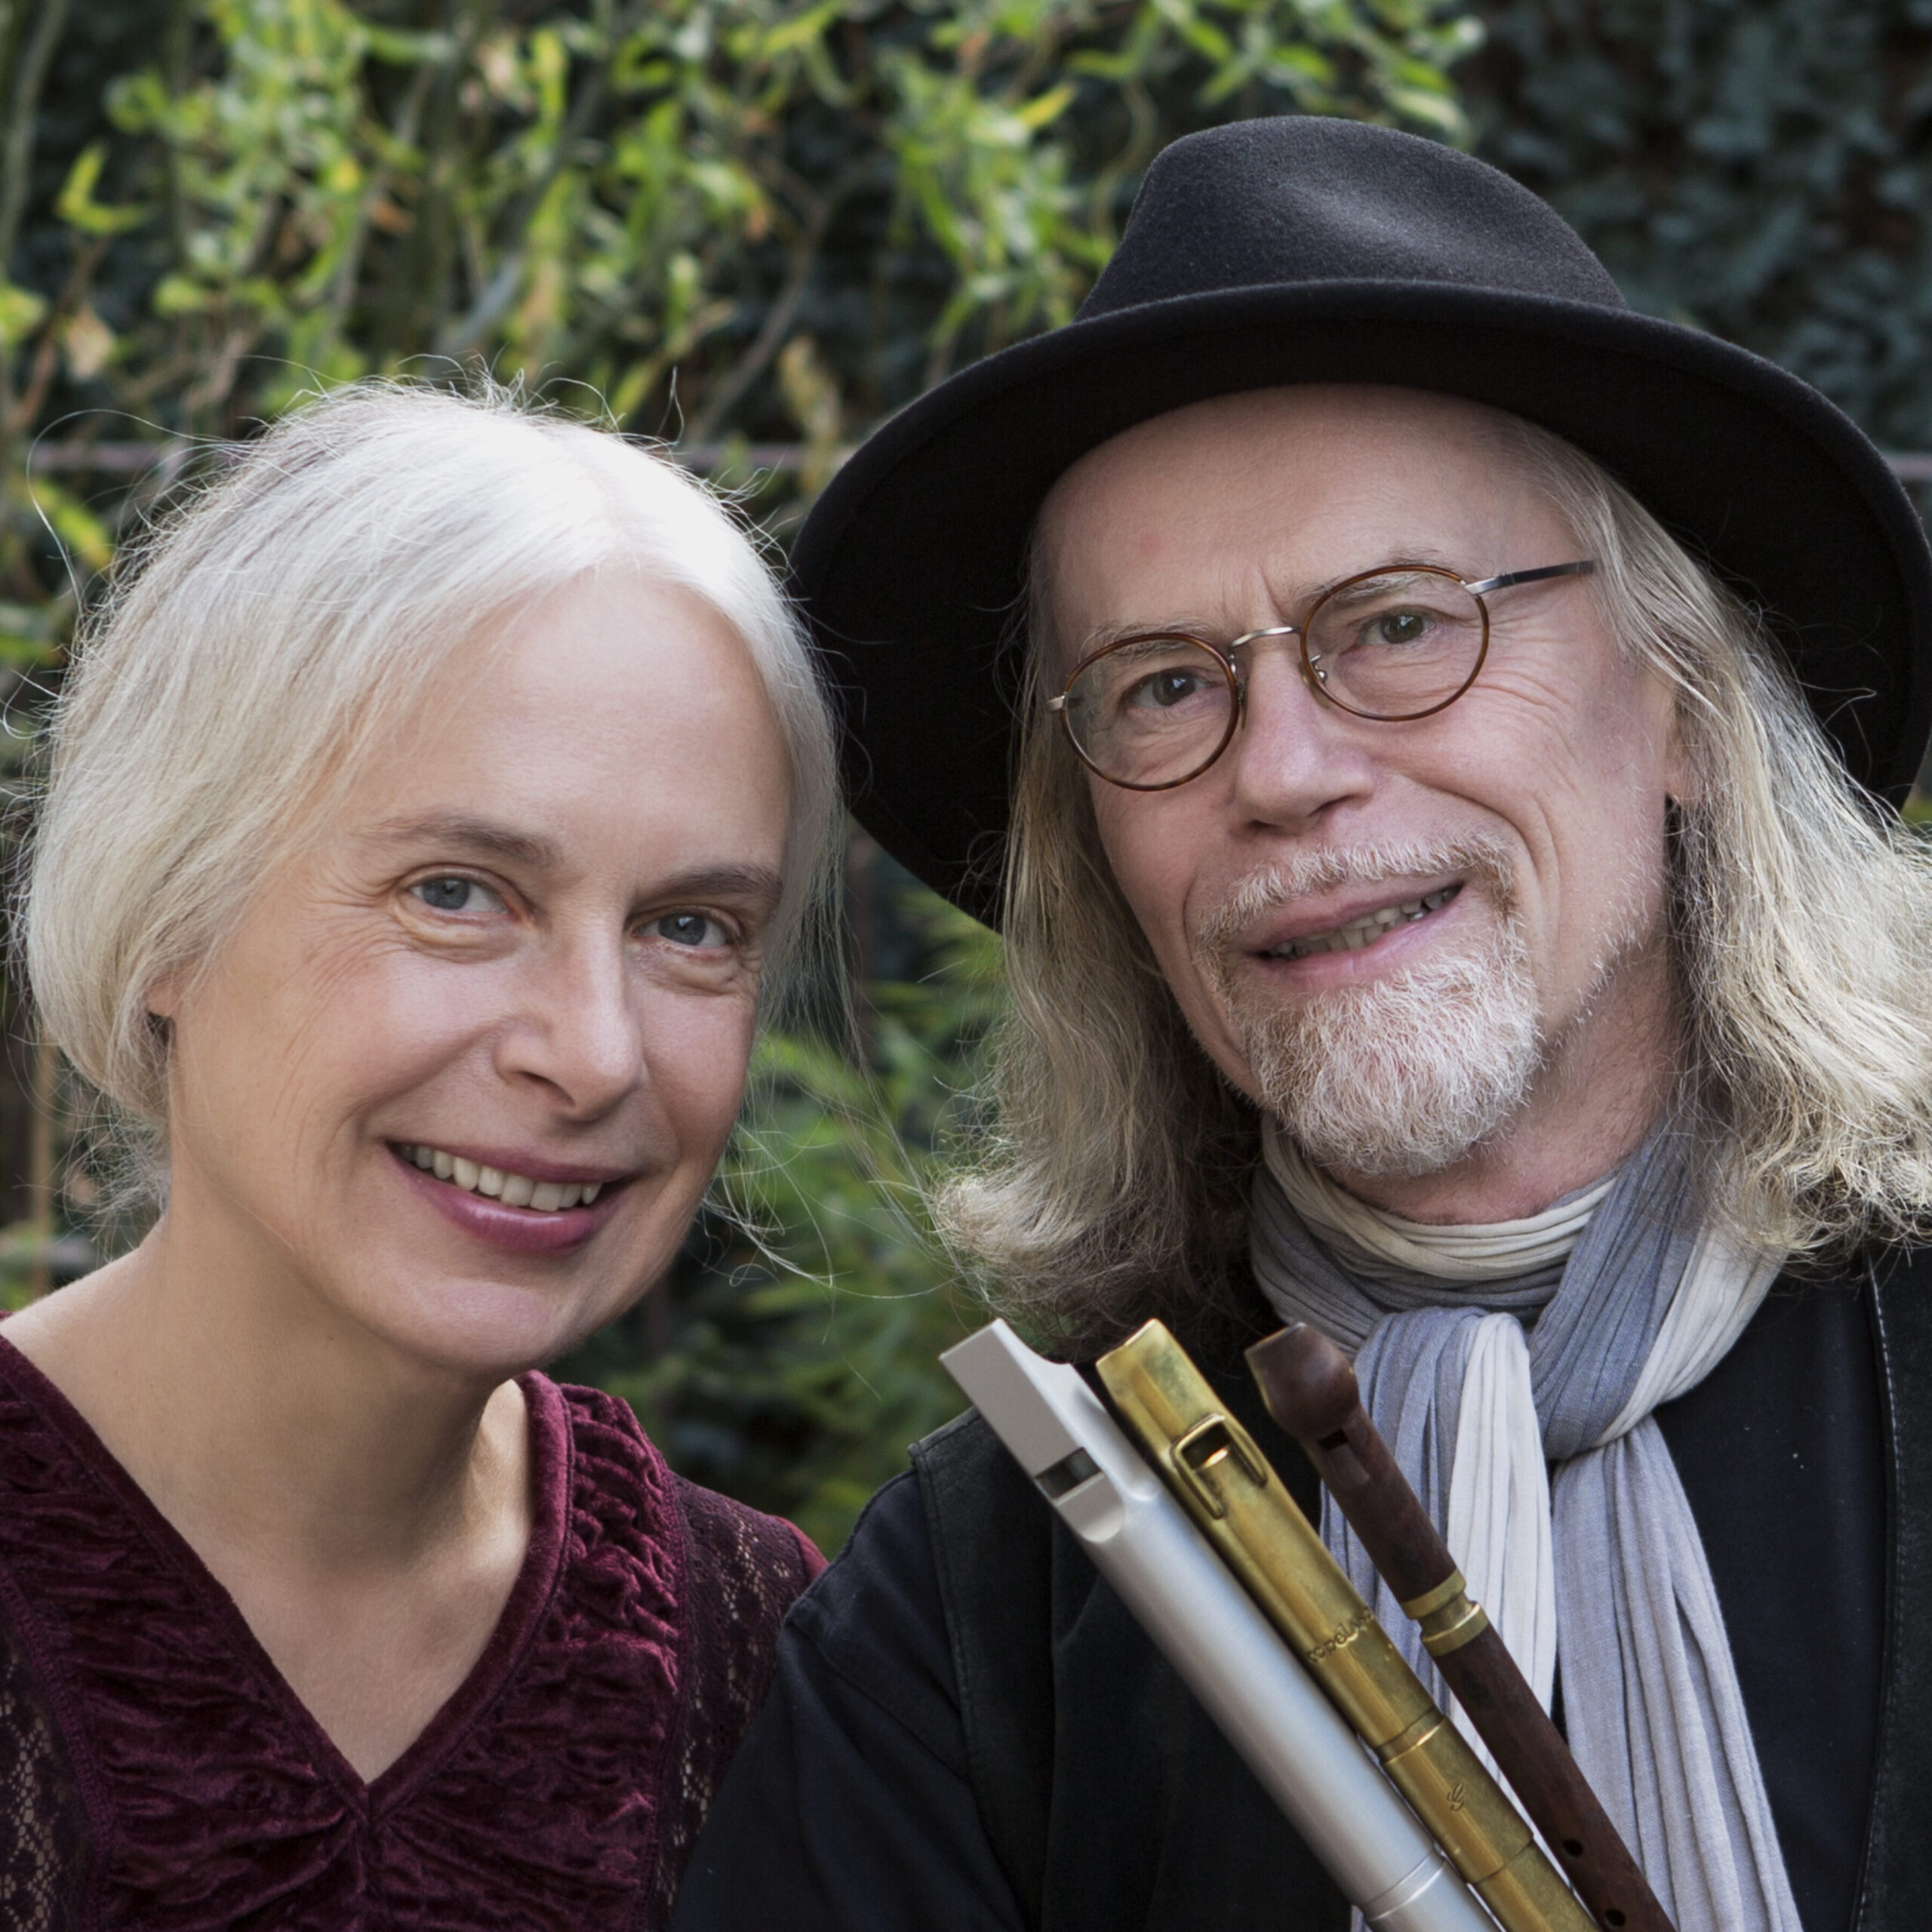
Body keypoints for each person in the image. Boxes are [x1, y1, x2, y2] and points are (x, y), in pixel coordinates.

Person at [672, 117, 1932, 1932]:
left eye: (1397, 624)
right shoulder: (982, 1607)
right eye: (1160, 685)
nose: (1278, 769)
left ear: (1681, 699)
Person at [0, 380, 841, 1929]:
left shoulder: (766, 1651)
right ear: (168, 910)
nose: (593, 1051)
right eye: (457, 892)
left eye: (689, 926)